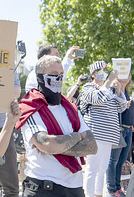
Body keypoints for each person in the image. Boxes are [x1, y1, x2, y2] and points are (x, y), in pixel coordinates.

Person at [16, 55, 97, 197]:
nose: (59, 79)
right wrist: (77, 136)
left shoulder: (70, 108)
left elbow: (92, 146)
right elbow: (47, 144)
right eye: (53, 75)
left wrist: (56, 146)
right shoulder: (31, 107)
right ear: (40, 77)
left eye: (61, 74)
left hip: (74, 187)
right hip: (43, 187)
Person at [79, 61, 127, 197]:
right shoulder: (88, 87)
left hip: (109, 135)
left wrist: (118, 90)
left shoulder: (109, 90)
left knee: (102, 168)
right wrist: (109, 82)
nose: (104, 74)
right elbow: (97, 98)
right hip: (96, 134)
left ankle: (98, 194)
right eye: (100, 71)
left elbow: (121, 107)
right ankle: (89, 195)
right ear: (94, 74)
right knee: (92, 168)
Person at [106, 74, 133, 197]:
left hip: (128, 130)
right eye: (125, 73)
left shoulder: (127, 92)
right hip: (118, 129)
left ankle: (118, 187)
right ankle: (112, 189)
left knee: (121, 161)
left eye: (129, 74)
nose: (127, 76)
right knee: (113, 161)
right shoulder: (113, 90)